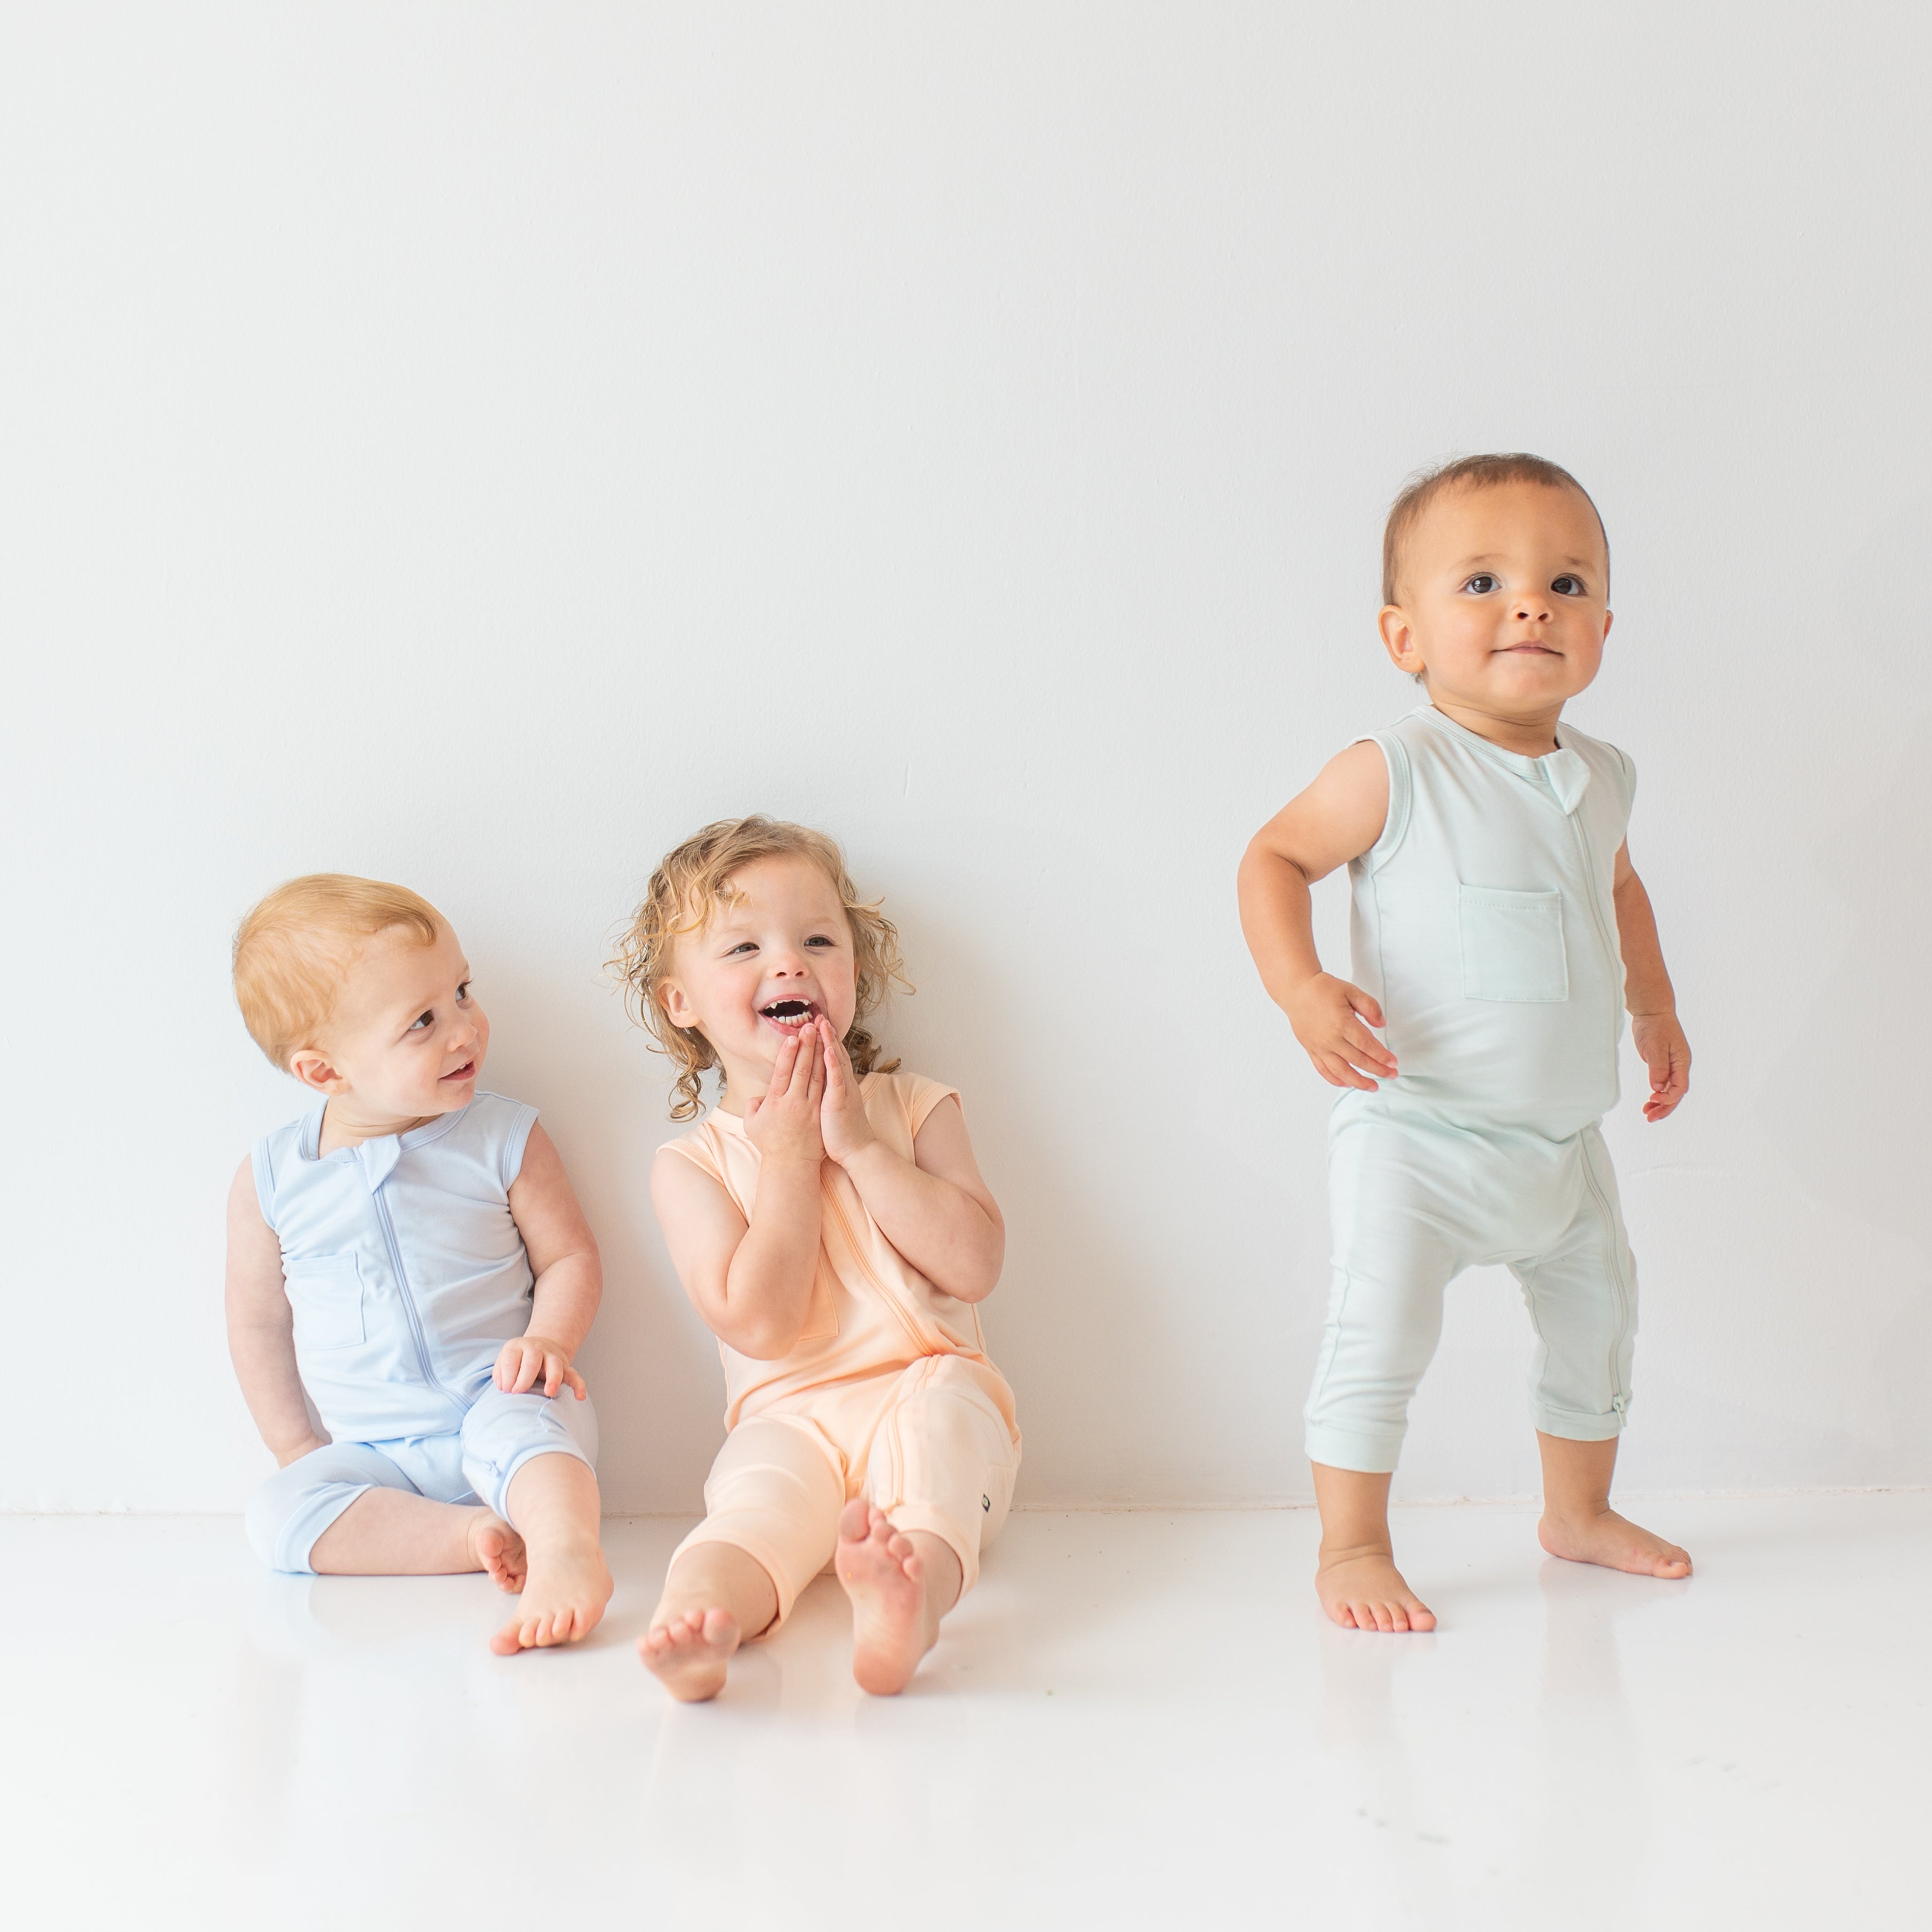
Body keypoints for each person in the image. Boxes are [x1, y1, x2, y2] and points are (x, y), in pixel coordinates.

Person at [1238, 454, 1693, 1633]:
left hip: (1560, 1142)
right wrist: (1299, 987)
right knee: (1377, 1327)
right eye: (1481, 580)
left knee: (1600, 1321)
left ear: (1603, 624)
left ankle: (1576, 1512)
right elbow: (1271, 858)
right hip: (1418, 1134)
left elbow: (1620, 888)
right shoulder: (1396, 767)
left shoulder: (1601, 777)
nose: (1529, 604)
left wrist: (1653, 1002)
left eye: (1565, 581)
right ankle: (1350, 1543)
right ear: (1403, 634)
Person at [619, 817, 1019, 1698]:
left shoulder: (912, 1107)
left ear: (852, 972)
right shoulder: (690, 1168)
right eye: (743, 946)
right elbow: (759, 1323)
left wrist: (862, 1150)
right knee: (753, 1506)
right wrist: (791, 1160)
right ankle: (696, 1616)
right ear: (679, 1001)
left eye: (817, 940)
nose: (790, 962)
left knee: (937, 1447)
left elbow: (976, 1263)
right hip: (787, 1414)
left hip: (926, 1378)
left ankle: (906, 1602)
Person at [227, 874, 611, 1653]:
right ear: (324, 1072)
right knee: (275, 1514)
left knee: (526, 1433)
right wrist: (297, 1448)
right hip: (377, 1456)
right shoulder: (273, 1179)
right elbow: (257, 1321)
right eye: (423, 1022)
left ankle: (568, 1550)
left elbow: (570, 1254)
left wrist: (550, 1344)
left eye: (463, 992)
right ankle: (467, 1535)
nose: (465, 1030)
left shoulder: (502, 1135)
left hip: (504, 1404)